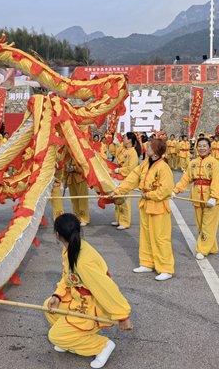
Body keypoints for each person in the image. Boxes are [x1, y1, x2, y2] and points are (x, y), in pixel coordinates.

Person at [44, 213, 132, 369]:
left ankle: (102, 346)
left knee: (54, 336)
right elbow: (67, 277)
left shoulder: (83, 261)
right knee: (49, 306)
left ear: (57, 235)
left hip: (92, 306)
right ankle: (71, 338)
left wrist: (122, 315)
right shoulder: (72, 247)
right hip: (78, 299)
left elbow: (106, 289)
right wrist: (58, 295)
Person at [112, 139, 174, 281]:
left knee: (160, 237)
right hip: (146, 204)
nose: (147, 148)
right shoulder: (145, 163)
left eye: (151, 147)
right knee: (145, 235)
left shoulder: (163, 167)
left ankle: (166, 268)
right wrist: (118, 190)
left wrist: (149, 194)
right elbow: (132, 178)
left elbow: (165, 190)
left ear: (157, 150)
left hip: (158, 206)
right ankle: (147, 263)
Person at [174, 137, 219, 260]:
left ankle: (202, 249)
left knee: (208, 224)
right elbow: (186, 178)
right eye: (199, 146)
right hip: (197, 196)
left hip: (211, 199)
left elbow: (217, 180)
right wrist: (175, 190)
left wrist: (214, 196)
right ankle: (212, 247)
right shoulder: (193, 163)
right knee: (201, 224)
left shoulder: (214, 163)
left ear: (209, 148)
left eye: (204, 146)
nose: (202, 148)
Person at [111, 132, 140, 230]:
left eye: (125, 137)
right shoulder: (123, 149)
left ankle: (125, 222)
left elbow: (131, 168)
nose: (123, 139)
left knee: (125, 201)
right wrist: (114, 142)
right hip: (118, 177)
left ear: (130, 140)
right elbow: (114, 151)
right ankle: (118, 219)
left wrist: (119, 170)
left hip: (126, 179)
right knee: (117, 199)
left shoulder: (133, 152)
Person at [66, 158, 90, 226]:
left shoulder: (79, 152)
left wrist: (74, 168)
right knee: (74, 200)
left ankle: (84, 218)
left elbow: (86, 167)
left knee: (82, 200)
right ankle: (77, 217)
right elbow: (64, 168)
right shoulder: (66, 153)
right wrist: (64, 180)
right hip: (71, 179)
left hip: (81, 179)